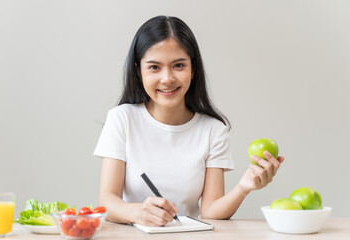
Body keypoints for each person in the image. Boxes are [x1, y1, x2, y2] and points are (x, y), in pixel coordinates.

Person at [94, 15, 284, 227]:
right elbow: (107, 201)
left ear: (193, 69)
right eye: (154, 67)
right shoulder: (122, 119)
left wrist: (244, 186)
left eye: (178, 65)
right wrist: (137, 213)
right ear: (139, 71)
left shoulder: (213, 130)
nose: (167, 78)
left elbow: (210, 211)